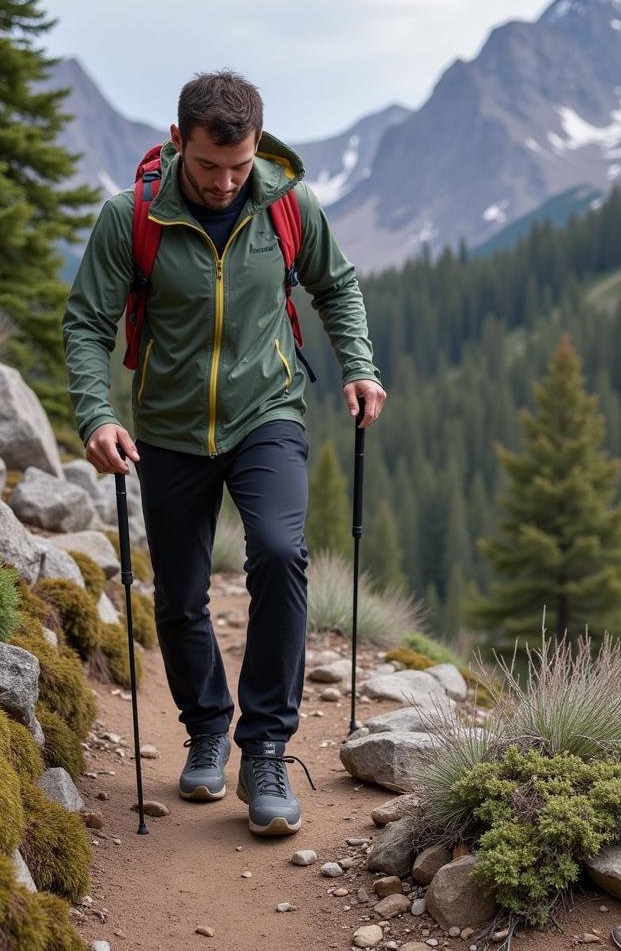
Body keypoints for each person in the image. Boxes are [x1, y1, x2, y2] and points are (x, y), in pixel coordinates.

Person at [62, 70, 386, 836]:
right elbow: (86, 324)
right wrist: (97, 415)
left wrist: (360, 365)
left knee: (279, 551)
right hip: (168, 427)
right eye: (209, 166)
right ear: (178, 144)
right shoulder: (131, 216)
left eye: (239, 165)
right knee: (180, 592)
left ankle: (266, 747)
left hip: (266, 411)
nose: (225, 181)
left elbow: (335, 286)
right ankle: (207, 724)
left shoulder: (285, 205)